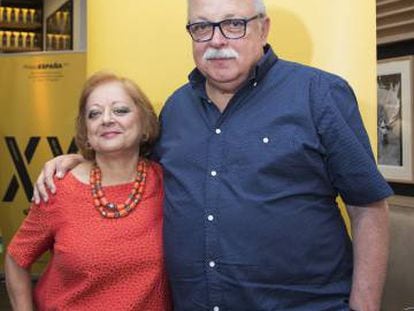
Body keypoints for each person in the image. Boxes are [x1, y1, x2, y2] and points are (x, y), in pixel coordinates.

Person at [32, 0, 392, 310]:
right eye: (202, 27)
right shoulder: (175, 109)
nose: (217, 40)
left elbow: (369, 207)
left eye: (234, 24)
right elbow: (133, 170)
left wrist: (364, 306)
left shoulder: (319, 94)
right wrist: (81, 162)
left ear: (263, 29)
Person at [5, 72, 171, 311]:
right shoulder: (58, 188)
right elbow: (16, 258)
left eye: (120, 110)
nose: (106, 119)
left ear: (145, 123)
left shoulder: (168, 183)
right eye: (94, 114)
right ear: (86, 132)